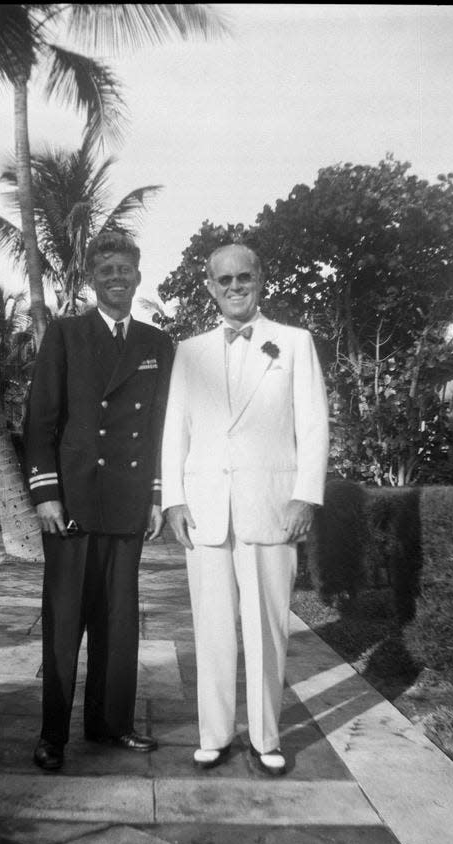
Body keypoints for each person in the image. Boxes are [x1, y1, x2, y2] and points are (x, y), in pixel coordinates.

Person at [161, 243, 329, 776]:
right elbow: (175, 430)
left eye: (244, 278)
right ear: (209, 286)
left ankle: (265, 737)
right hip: (206, 509)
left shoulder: (295, 344)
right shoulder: (189, 352)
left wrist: (306, 494)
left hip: (271, 507)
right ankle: (213, 734)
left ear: (261, 280)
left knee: (267, 628)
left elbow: (315, 424)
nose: (234, 287)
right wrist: (174, 500)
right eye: (223, 279)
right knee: (211, 628)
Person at [24, 231, 174, 771]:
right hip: (72, 503)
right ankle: (52, 735)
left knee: (118, 622)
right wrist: (46, 494)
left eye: (125, 269)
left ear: (138, 275)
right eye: (106, 269)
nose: (117, 277)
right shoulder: (66, 334)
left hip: (128, 502)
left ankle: (111, 724)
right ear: (92, 278)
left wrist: (156, 495)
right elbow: (40, 422)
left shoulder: (158, 344)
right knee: (64, 623)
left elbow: (159, 430)